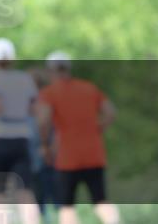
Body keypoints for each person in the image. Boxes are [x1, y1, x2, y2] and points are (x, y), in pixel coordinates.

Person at [35, 52, 120, 224]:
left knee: (67, 206)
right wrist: (96, 129)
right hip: (94, 153)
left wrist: (44, 145)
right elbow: (111, 112)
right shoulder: (89, 88)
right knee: (101, 201)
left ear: (50, 71)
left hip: (67, 156)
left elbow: (43, 120)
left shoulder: (49, 93)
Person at [0, 38, 41, 224]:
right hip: (22, 136)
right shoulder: (25, 78)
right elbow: (34, 108)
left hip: (0, 135)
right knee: (25, 190)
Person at [28, 68, 58, 224]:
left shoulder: (47, 100)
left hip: (46, 154)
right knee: (38, 196)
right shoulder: (24, 103)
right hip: (31, 156)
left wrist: (49, 148)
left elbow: (53, 127)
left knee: (52, 195)